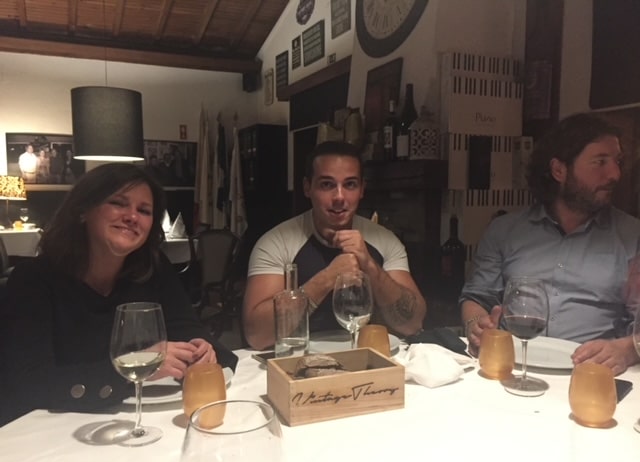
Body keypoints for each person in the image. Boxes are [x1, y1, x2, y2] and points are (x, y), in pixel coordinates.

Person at [0, 163, 237, 426]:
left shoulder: (154, 269)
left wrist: (200, 349)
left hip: (145, 422)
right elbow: (28, 382)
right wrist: (136, 366)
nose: (132, 217)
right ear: (82, 210)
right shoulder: (33, 280)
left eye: (144, 211)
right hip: (52, 429)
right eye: (118, 203)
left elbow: (187, 327)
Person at [462, 113, 640, 374]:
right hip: (510, 369)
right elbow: (476, 297)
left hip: (591, 375)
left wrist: (628, 348)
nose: (615, 173)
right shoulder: (505, 231)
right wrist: (477, 325)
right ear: (559, 170)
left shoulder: (633, 236)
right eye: (600, 162)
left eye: (618, 162)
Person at [242, 141, 427, 350]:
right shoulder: (276, 243)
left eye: (350, 185)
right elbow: (257, 335)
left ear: (362, 189)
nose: (339, 197)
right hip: (298, 361)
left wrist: (369, 266)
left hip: (368, 359)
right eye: (327, 185)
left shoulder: (385, 241)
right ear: (307, 187)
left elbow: (413, 323)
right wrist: (328, 278)